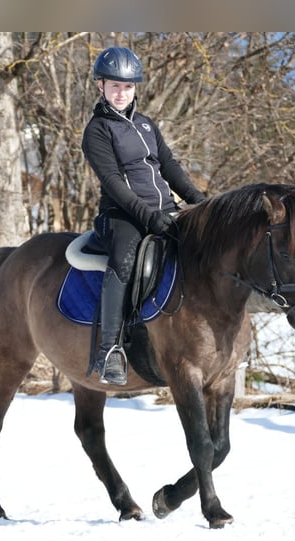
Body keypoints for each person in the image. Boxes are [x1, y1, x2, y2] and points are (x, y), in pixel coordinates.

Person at [82, 46, 206, 386]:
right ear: (100, 86)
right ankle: (109, 349)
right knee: (123, 261)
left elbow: (169, 166)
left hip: (164, 210)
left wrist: (200, 202)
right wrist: (149, 216)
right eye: (115, 86)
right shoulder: (97, 130)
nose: (122, 93)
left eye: (128, 86)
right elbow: (112, 182)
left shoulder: (146, 125)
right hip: (121, 215)